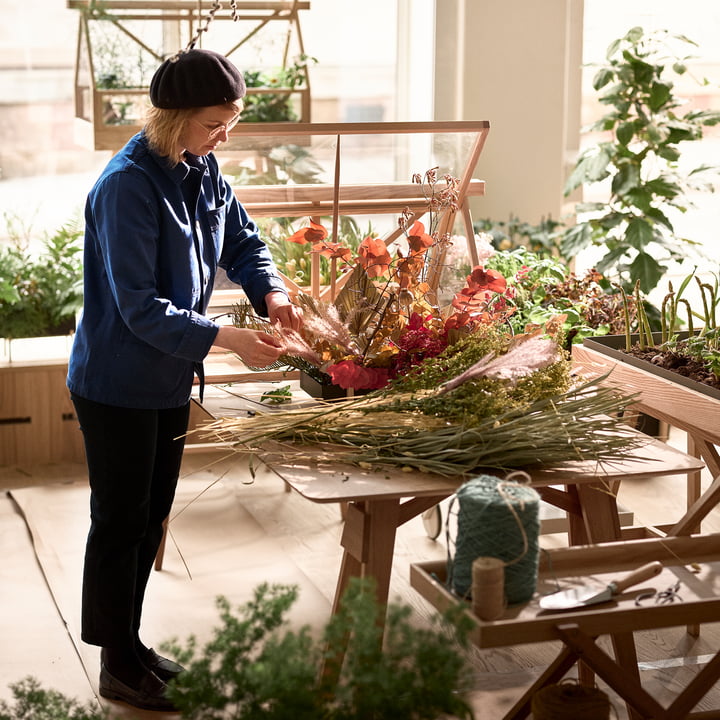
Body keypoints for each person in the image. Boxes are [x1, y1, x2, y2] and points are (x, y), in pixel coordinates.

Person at [66, 48, 302, 712]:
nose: (224, 135)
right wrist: (230, 339)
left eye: (231, 121)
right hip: (116, 380)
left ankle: (130, 644)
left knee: (151, 519)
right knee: (121, 520)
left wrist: (273, 295)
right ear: (172, 119)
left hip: (167, 375)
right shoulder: (127, 187)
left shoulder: (200, 169)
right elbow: (139, 307)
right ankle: (116, 663)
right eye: (212, 124)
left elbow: (244, 242)